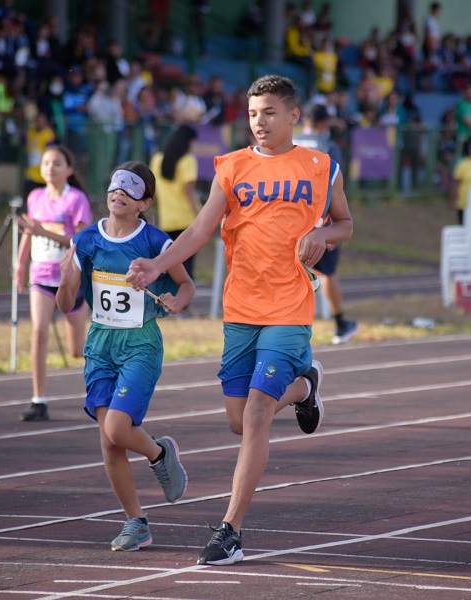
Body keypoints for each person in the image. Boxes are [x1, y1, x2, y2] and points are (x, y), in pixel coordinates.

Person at [126, 74, 353, 566]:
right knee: (237, 420)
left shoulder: (321, 166)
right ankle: (305, 388)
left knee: (254, 415)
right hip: (241, 309)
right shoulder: (231, 167)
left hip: (290, 308)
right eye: (253, 113)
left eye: (269, 112)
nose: (259, 122)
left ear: (293, 115)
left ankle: (230, 530)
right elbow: (201, 228)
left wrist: (325, 237)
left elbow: (345, 222)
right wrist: (158, 265)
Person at [56, 161, 195, 552]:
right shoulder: (86, 241)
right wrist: (67, 279)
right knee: (109, 443)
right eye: (115, 186)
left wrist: (175, 302)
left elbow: (186, 286)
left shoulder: (155, 242)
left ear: (144, 203)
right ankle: (136, 522)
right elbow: (67, 303)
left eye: (130, 190)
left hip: (139, 344)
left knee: (117, 428)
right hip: (99, 345)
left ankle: (159, 452)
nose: (119, 193)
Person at [16, 145, 92, 421]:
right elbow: (29, 232)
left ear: (69, 170)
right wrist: (19, 263)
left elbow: (81, 241)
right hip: (41, 277)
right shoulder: (35, 197)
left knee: (77, 349)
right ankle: (39, 400)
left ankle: (102, 384)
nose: (50, 168)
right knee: (39, 332)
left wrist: (42, 231)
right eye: (46, 163)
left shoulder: (76, 200)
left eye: (57, 163)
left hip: (71, 278)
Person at [293, 103, 358, 344]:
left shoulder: (288, 141)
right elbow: (335, 184)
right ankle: (340, 324)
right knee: (328, 272)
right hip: (321, 221)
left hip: (289, 218)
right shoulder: (328, 146)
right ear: (324, 123)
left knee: (291, 271)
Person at [150, 124, 201, 281]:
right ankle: (184, 303)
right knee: (187, 265)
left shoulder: (157, 160)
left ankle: (169, 301)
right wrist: (201, 217)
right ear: (187, 141)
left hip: (167, 221)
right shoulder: (188, 161)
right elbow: (189, 193)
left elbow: (156, 193)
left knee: (168, 264)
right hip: (186, 220)